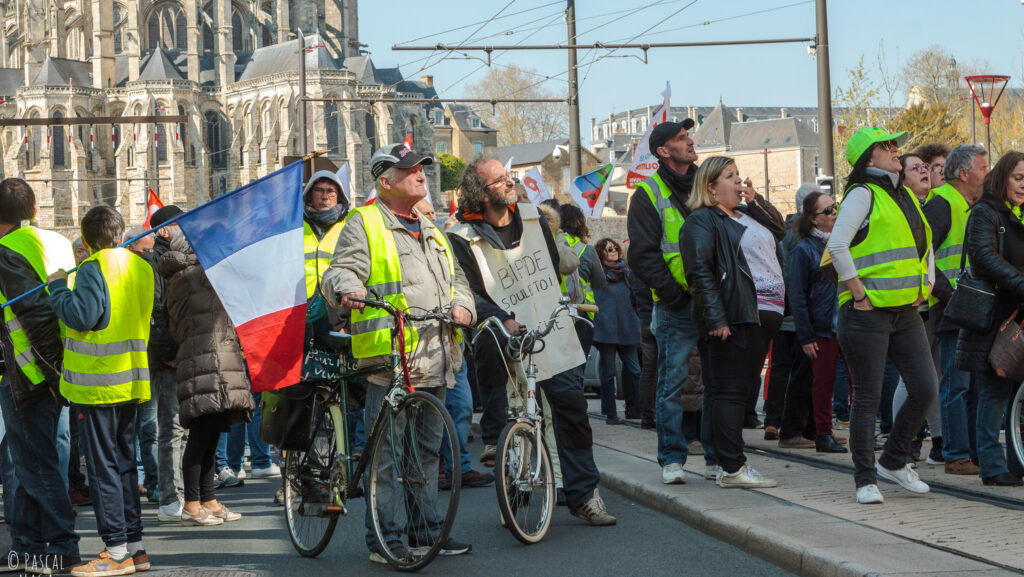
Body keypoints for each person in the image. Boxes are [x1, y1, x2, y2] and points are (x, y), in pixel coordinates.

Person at [322, 143, 476, 562]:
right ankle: (386, 542)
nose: (421, 174)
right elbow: (339, 270)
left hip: (436, 358)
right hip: (390, 361)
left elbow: (458, 277)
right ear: (385, 182)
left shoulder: (431, 227)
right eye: (410, 170)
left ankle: (425, 533)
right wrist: (347, 288)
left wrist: (464, 303)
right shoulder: (364, 222)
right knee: (388, 459)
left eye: (422, 168)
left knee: (426, 455)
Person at [448, 155, 616, 527]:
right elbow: (468, 289)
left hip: (548, 326)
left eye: (509, 177)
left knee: (572, 412)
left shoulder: (534, 217)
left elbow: (552, 264)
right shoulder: (461, 238)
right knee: (515, 414)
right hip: (503, 332)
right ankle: (515, 494)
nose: (510, 183)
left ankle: (584, 495)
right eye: (500, 180)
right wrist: (499, 316)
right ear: (480, 192)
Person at [827, 127, 938, 505]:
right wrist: (858, 294)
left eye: (894, 145)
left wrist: (926, 286)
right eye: (886, 146)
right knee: (868, 397)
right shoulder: (863, 194)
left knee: (926, 388)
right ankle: (865, 479)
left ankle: (893, 461)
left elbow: (922, 248)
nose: (895, 150)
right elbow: (837, 245)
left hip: (905, 311)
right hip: (866, 313)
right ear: (868, 158)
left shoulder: (903, 194)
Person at [49, 205, 154, 576]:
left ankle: (115, 552)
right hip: (131, 380)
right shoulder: (141, 266)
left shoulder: (95, 267)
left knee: (103, 469)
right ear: (120, 233)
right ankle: (135, 548)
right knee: (125, 465)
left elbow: (82, 316)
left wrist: (58, 287)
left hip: (99, 384)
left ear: (88, 240)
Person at [682, 156, 786, 489]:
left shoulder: (742, 214)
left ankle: (719, 463)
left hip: (761, 316)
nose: (739, 181)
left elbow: (779, 230)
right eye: (730, 176)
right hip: (737, 315)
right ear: (710, 187)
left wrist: (754, 200)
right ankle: (732, 467)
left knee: (733, 390)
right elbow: (699, 272)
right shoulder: (703, 220)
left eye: (739, 175)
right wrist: (716, 317)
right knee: (730, 392)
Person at [0, 178, 80, 575]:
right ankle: (26, 544)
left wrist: (48, 372)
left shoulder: (7, 251)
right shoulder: (58, 242)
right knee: (37, 459)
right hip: (63, 367)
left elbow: (34, 313)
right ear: (34, 211)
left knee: (35, 465)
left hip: (33, 372)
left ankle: (62, 545)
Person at [627, 118, 706, 485]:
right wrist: (674, 296)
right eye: (680, 138)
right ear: (663, 150)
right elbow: (642, 256)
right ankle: (672, 459)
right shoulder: (648, 193)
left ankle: (721, 457)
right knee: (671, 384)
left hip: (715, 303)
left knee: (719, 383)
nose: (689, 142)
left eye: (688, 136)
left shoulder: (708, 183)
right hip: (677, 307)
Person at [160, 226, 254, 527]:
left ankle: (208, 498)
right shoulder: (189, 276)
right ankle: (191, 502)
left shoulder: (196, 272)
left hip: (216, 358)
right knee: (200, 435)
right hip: (204, 359)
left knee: (212, 432)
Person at [954, 150, 1024, 487]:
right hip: (994, 315)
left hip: (1019, 313)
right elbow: (983, 256)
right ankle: (992, 467)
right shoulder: (986, 212)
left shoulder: (1020, 214)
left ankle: (1017, 462)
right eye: (1019, 178)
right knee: (993, 391)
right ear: (1002, 177)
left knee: (1016, 396)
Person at [416, 198, 494, 490]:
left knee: (460, 407)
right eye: (422, 214)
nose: (429, 218)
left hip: (451, 343)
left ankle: (457, 467)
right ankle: (436, 467)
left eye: (431, 213)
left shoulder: (444, 245)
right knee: (427, 414)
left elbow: (461, 284)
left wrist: (463, 307)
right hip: (417, 346)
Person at [925, 145, 987, 476]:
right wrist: (949, 297)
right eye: (982, 167)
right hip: (952, 311)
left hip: (971, 310)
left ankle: (972, 452)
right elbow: (923, 257)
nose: (987, 173)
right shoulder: (942, 203)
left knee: (974, 384)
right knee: (957, 383)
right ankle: (956, 453)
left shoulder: (968, 205)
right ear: (963, 173)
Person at [788, 191, 847, 453]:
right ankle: (823, 434)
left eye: (835, 208)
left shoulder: (843, 242)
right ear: (813, 219)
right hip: (822, 327)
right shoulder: (804, 249)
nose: (834, 213)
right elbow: (797, 295)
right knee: (823, 383)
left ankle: (857, 432)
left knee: (858, 380)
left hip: (848, 323)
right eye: (828, 211)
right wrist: (806, 335)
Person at [766, 184, 818, 446]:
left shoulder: (783, 232)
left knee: (780, 367)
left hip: (782, 309)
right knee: (801, 370)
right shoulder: (801, 235)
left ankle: (773, 420)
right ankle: (792, 427)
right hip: (796, 311)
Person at [146, 206, 187, 522]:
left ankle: (184, 495)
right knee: (172, 427)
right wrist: (167, 352)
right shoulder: (157, 262)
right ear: (163, 231)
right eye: (178, 224)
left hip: (181, 353)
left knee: (184, 427)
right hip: (169, 357)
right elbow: (157, 314)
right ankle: (170, 497)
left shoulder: (174, 258)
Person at [125, 227, 159, 503]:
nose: (149, 254)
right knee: (140, 428)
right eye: (146, 249)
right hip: (132, 362)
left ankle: (148, 480)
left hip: (144, 361)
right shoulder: (136, 270)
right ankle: (141, 480)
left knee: (146, 428)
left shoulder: (149, 270)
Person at [591, 238, 641, 424]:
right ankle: (611, 414)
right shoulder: (598, 275)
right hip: (607, 331)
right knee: (608, 373)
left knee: (635, 371)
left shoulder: (627, 273)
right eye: (608, 249)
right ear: (600, 253)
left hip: (628, 329)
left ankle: (637, 409)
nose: (613, 251)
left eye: (615, 248)